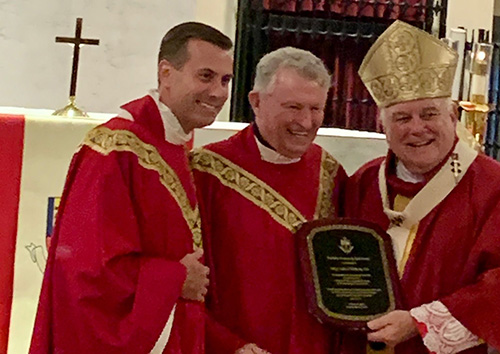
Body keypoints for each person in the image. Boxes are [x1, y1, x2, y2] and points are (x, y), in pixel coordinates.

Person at [30, 22, 233, 354]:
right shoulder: (115, 149)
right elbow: (87, 273)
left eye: (225, 80)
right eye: (206, 76)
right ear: (166, 72)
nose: (218, 93)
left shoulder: (172, 146)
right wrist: (175, 279)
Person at [342, 20, 500, 353]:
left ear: (453, 116)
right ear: (380, 123)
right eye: (402, 118)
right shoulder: (363, 183)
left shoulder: (491, 187)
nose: (417, 129)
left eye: (429, 114)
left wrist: (420, 322)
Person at [191, 46, 348, 354]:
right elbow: (185, 282)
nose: (305, 122)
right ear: (256, 101)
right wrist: (228, 345)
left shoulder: (331, 173)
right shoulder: (206, 172)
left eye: (316, 109)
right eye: (293, 107)